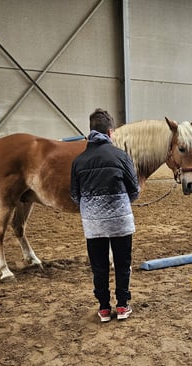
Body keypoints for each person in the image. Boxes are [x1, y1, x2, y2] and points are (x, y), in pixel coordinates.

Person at [71, 108, 140, 322]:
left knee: (99, 267)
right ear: (110, 133)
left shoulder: (79, 161)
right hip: (120, 222)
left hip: (94, 225)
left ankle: (103, 308)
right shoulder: (121, 156)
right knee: (122, 264)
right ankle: (122, 306)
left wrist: (92, 206)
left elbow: (75, 194)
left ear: (91, 131)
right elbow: (134, 190)